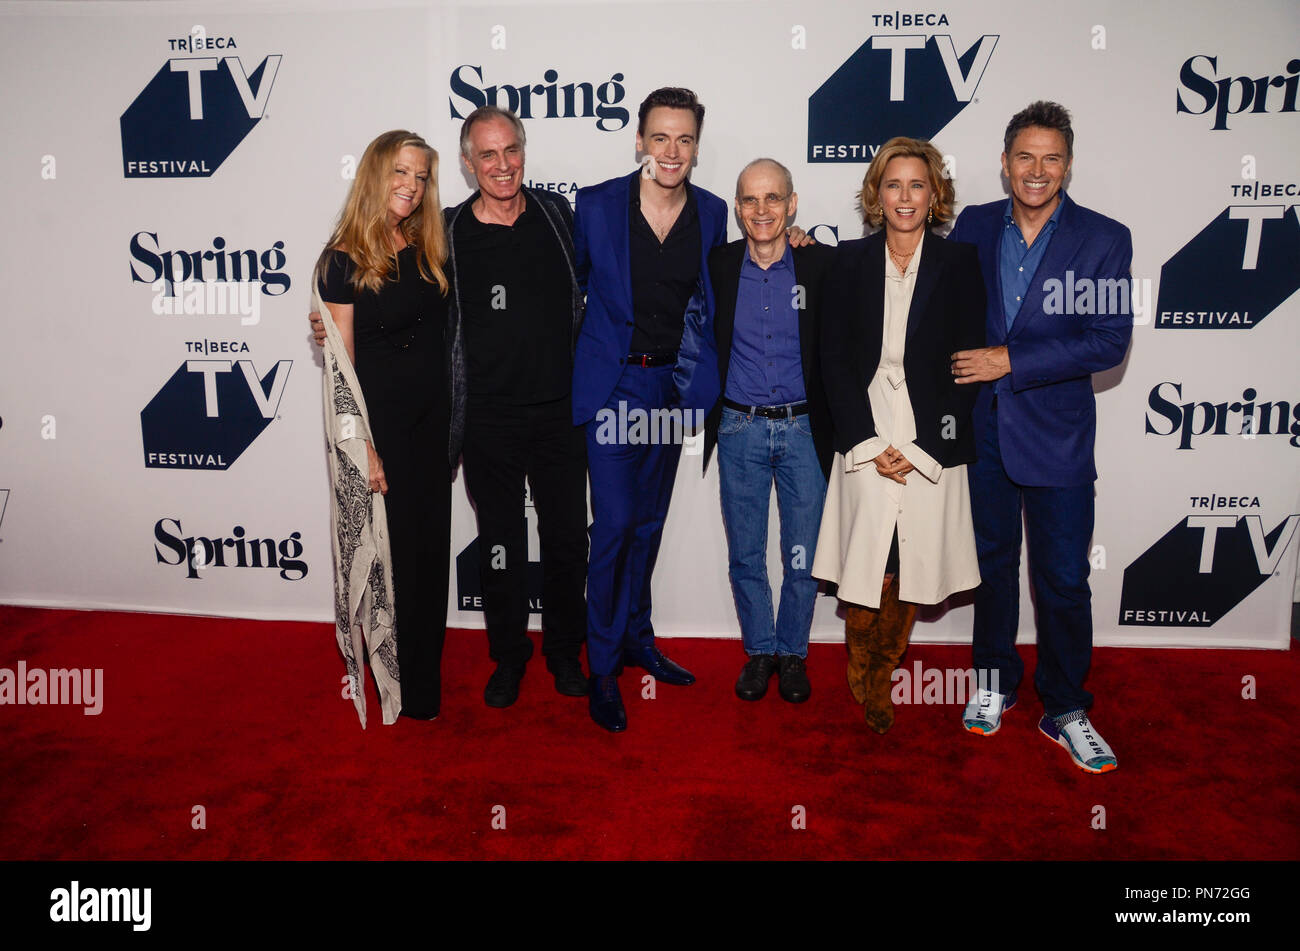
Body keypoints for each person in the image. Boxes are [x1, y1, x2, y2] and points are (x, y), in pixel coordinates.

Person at [950, 101, 1132, 773]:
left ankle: (1066, 707)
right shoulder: (970, 225)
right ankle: (994, 681)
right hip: (985, 432)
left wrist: (1010, 360)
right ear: (1004, 163)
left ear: (1069, 165)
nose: (1036, 169)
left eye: (1050, 157)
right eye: (1024, 156)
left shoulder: (1104, 237)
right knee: (992, 569)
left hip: (1056, 437)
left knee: (1061, 579)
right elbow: (906, 262)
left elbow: (1109, 341)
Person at [812, 137, 986, 734]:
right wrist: (864, 440)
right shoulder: (849, 261)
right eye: (893, 185)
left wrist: (922, 449)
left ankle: (883, 673)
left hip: (931, 430)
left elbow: (968, 365)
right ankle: (861, 659)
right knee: (869, 560)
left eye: (917, 185)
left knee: (911, 560)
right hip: (864, 426)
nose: (905, 197)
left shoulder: (961, 263)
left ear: (934, 193)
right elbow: (832, 360)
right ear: (876, 194)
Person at [571, 87, 728, 732]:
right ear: (639, 141)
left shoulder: (716, 214)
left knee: (648, 524)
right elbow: (570, 288)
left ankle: (637, 637)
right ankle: (603, 667)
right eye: (659, 137)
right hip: (615, 390)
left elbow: (734, 282)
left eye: (683, 139)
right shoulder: (597, 205)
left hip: (675, 389)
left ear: (696, 146)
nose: (671, 151)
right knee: (611, 527)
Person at [674, 158, 836, 704]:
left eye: (773, 199)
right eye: (750, 200)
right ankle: (759, 650)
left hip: (805, 429)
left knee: (802, 554)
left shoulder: (820, 267)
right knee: (745, 553)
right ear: (738, 207)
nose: (761, 210)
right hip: (740, 427)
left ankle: (792, 653)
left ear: (792, 204)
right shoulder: (718, 265)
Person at [444, 106, 589, 706]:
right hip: (488, 420)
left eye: (511, 151)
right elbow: (389, 289)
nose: (502, 166)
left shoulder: (558, 216)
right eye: (487, 154)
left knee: (566, 541)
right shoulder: (447, 231)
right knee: (499, 544)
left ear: (523, 153)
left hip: (560, 412)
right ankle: (508, 657)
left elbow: (611, 274)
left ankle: (563, 653)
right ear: (468, 162)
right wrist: (334, 324)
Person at [314, 129, 452, 723]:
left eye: (421, 177)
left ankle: (425, 682)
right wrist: (362, 448)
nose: (412, 185)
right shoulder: (342, 259)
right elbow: (341, 372)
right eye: (401, 172)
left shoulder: (425, 243)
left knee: (429, 557)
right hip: (384, 434)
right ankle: (394, 679)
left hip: (433, 425)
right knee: (391, 560)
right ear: (375, 174)